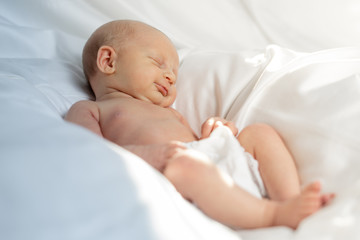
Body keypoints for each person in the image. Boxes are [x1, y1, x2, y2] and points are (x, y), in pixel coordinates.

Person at [65, 19, 334, 229]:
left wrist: (217, 132)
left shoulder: (166, 110)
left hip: (207, 161)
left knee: (258, 133)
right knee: (185, 166)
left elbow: (198, 142)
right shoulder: (91, 109)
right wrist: (146, 155)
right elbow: (87, 149)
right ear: (108, 61)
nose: (170, 76)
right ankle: (271, 215)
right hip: (177, 176)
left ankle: (289, 199)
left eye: (173, 72)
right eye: (158, 63)